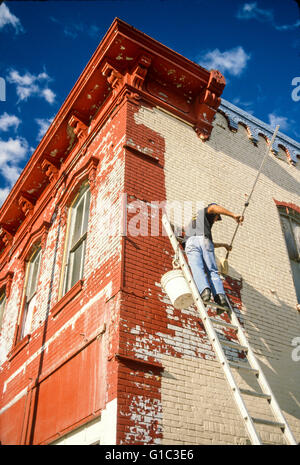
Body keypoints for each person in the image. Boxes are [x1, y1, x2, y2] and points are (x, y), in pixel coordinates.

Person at [184, 203, 244, 313]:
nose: (216, 220)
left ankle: (205, 292)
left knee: (197, 268)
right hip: (204, 241)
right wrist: (233, 215)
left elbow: (203, 241)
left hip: (191, 242)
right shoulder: (207, 210)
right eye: (217, 218)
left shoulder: (196, 220)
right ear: (214, 215)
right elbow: (213, 207)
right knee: (212, 270)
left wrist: (224, 245)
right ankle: (220, 297)